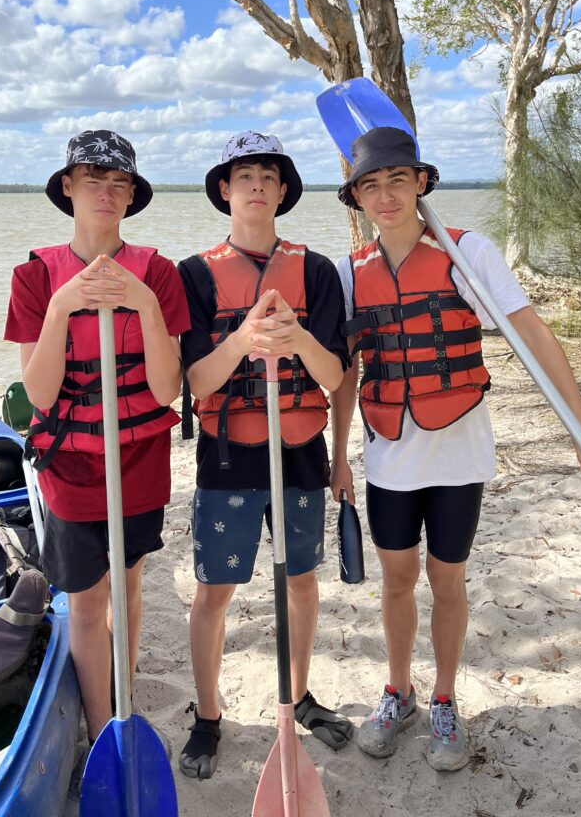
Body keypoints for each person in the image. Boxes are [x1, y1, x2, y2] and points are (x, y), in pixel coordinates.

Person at [329, 126, 581, 772]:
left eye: (397, 180)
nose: (385, 196)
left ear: (421, 183)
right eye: (371, 185)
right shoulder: (349, 273)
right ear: (357, 198)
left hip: (459, 453)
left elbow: (531, 333)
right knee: (396, 580)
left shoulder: (468, 253)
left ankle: (444, 699)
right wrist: (339, 454)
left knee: (446, 579)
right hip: (390, 453)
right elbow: (345, 373)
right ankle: (397, 692)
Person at [4, 130, 189, 786]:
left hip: (139, 459)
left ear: (132, 195)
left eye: (119, 183)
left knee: (130, 586)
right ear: (69, 189)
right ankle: (101, 720)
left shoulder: (159, 274)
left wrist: (142, 302)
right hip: (73, 465)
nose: (106, 193)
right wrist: (63, 305)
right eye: (93, 180)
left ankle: (125, 701)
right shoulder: (34, 277)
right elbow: (40, 393)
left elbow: (166, 389)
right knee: (86, 602)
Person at [176, 132, 353, 780]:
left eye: (268, 176)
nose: (256, 184)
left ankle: (298, 694)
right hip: (228, 456)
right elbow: (196, 381)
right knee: (214, 590)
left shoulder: (317, 272)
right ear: (225, 189)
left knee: (301, 580)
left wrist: (297, 337)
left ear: (282, 192)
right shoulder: (194, 275)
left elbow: (334, 377)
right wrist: (244, 338)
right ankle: (208, 714)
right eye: (244, 174)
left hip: (300, 450)